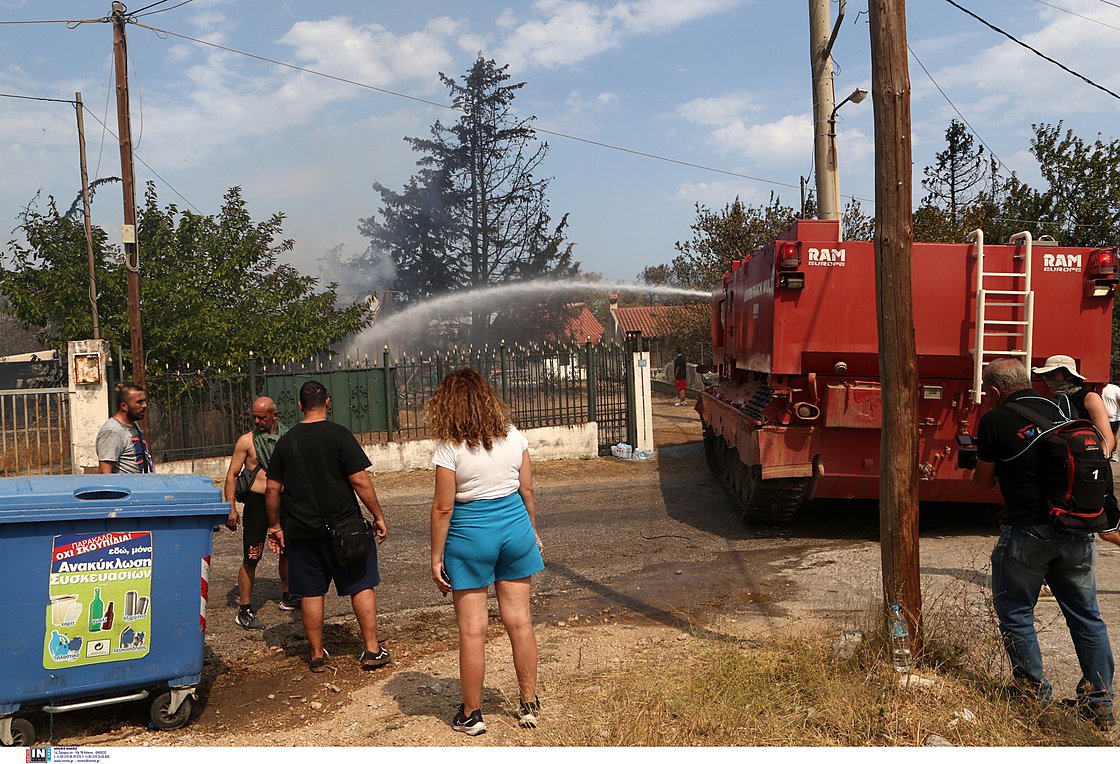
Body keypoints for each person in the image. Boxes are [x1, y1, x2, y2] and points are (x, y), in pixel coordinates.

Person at [973, 357, 1114, 727]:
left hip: (1029, 532)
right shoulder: (1063, 407)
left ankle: (1032, 693)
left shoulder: (995, 420)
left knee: (1017, 612)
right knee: (1087, 617)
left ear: (994, 392)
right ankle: (1099, 700)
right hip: (1077, 529)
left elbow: (983, 483)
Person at [427, 368, 545, 736]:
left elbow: (443, 508)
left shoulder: (449, 446)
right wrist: (532, 532)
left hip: (470, 535)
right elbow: (527, 491)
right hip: (514, 528)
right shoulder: (514, 437)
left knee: (473, 630)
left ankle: (472, 714)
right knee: (520, 621)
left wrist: (436, 557)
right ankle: (528, 704)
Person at [264, 380, 390, 673]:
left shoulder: (286, 442)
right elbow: (359, 480)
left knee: (310, 591)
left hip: (302, 530)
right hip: (345, 526)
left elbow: (272, 490)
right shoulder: (339, 435)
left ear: (298, 406)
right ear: (328, 402)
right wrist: (378, 515)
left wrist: (275, 526)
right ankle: (371, 649)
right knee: (361, 583)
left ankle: (317, 654)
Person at [223, 397, 300, 630]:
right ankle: (244, 609)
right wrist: (231, 508)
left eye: (262, 417)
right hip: (257, 504)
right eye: (254, 417)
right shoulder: (247, 442)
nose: (257, 421)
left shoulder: (289, 438)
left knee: (287, 551)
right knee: (252, 556)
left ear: (275, 416)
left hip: (284, 501)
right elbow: (231, 476)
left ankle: (288, 595)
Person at [96, 382, 153, 474]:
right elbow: (104, 473)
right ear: (124, 406)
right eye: (139, 402)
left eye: (144, 401)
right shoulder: (112, 432)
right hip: (128, 487)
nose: (144, 405)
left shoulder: (134, 424)